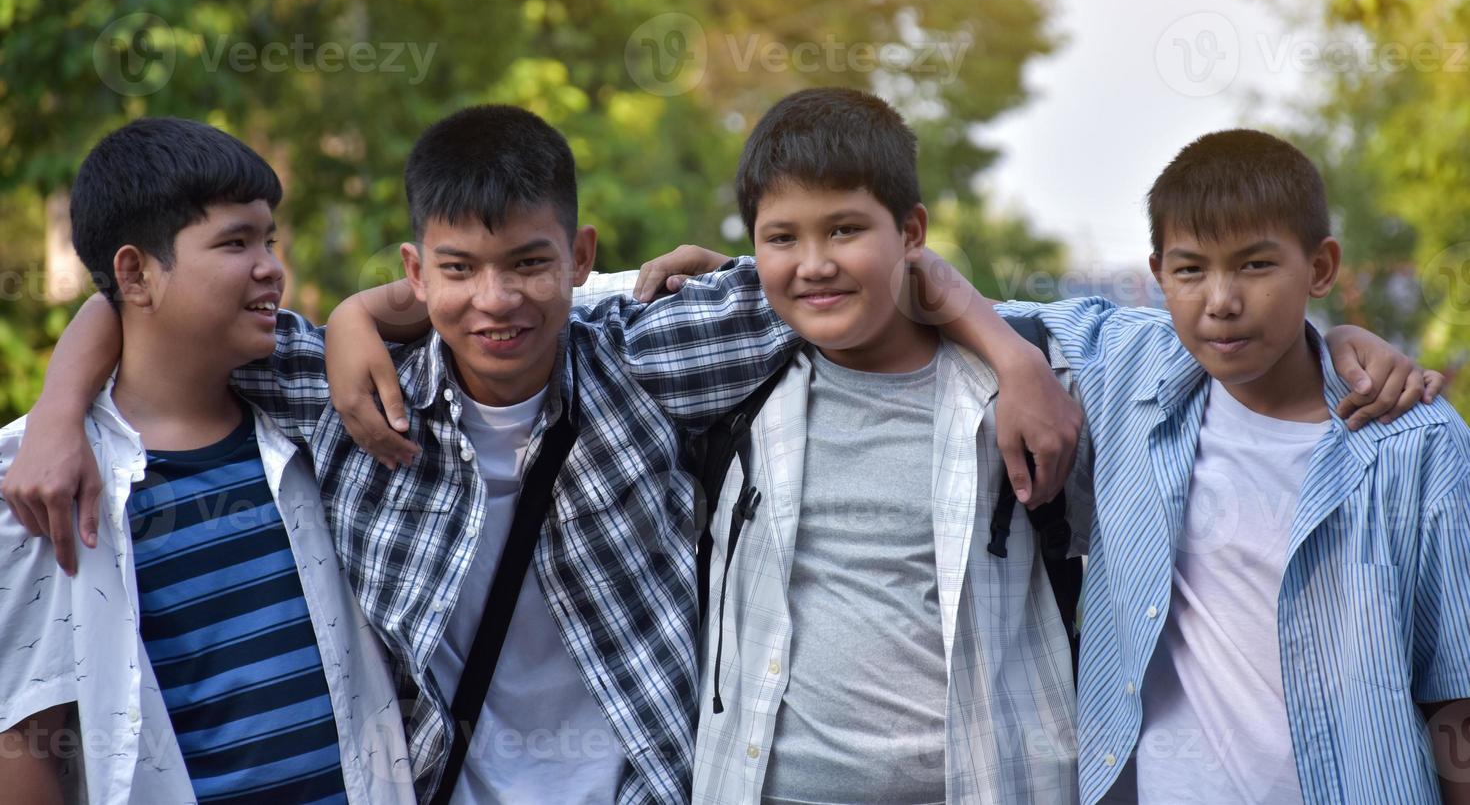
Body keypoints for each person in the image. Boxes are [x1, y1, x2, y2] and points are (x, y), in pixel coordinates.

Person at [5, 104, 1083, 803]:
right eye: (460, 270)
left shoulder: (646, 357)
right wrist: (60, 405)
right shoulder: (350, 390)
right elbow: (151, 306)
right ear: (414, 273)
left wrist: (1007, 352)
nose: (498, 300)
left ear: (580, 257)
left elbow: (858, 265)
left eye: (529, 263)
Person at [624, 90, 1439, 805]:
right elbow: (541, 311)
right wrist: (731, 274)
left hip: (992, 780)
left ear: (912, 233)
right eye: (780, 240)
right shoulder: (745, 379)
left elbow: (1197, 337)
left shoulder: (1042, 387)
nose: (815, 262)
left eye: (844, 229)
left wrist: (1335, 342)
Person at [995, 130, 1470, 804]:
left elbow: (1456, 692)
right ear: (1158, 273)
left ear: (1321, 267)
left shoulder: (1416, 441)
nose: (1220, 300)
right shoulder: (1127, 374)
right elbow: (928, 293)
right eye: (1191, 271)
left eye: (1254, 266)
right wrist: (1015, 362)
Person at [0, 118, 414, 804]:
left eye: (269, 239)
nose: (270, 266)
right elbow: (25, 733)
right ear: (136, 273)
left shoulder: (314, 419)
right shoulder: (38, 481)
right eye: (235, 242)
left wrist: (357, 313)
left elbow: (493, 306)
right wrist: (58, 411)